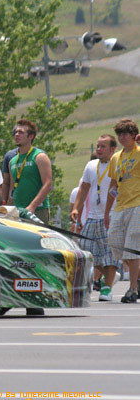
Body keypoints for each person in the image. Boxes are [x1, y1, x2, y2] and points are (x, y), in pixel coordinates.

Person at [71, 135, 120, 302]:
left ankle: (107, 287)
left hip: (112, 214)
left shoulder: (117, 163)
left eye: (102, 146)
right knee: (86, 248)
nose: (98, 149)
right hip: (93, 215)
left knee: (109, 253)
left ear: (112, 149)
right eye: (98, 146)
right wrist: (76, 208)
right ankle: (110, 276)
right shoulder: (91, 165)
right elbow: (84, 188)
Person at [104, 119, 140, 303]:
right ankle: (137, 276)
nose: (122, 137)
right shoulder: (116, 157)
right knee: (115, 242)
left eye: (125, 134)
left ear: (134, 135)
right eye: (119, 134)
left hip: (137, 204)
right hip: (120, 206)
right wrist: (107, 212)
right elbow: (113, 185)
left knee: (132, 246)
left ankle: (132, 288)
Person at [8, 119, 52, 223]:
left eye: (21, 132)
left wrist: (32, 206)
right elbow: (12, 189)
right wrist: (9, 210)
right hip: (18, 211)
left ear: (31, 136)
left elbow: (48, 184)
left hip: (37, 210)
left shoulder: (39, 156)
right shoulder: (12, 161)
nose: (16, 135)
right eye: (15, 132)